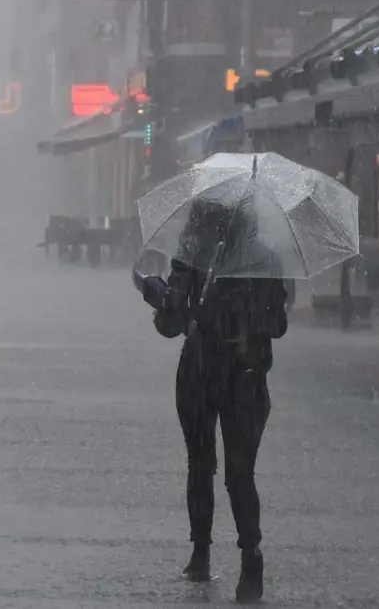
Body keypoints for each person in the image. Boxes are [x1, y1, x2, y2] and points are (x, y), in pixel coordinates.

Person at [134, 199, 289, 603]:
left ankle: (217, 554)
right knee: (233, 472)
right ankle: (237, 555)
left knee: (208, 466)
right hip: (234, 377)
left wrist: (163, 302)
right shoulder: (259, 261)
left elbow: (172, 324)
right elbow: (277, 325)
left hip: (217, 373)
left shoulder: (201, 258)